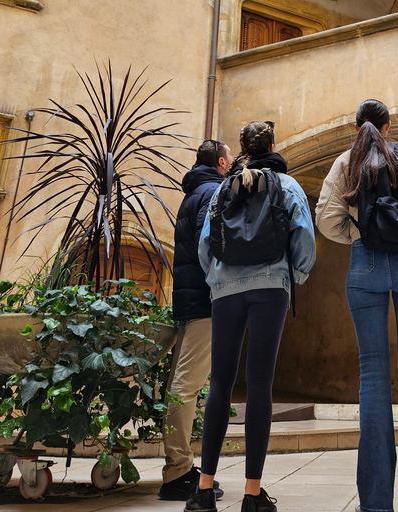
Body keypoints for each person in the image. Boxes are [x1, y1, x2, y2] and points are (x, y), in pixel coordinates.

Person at [315, 99, 398, 512]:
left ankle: (375, 503)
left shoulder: (346, 161)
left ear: (355, 127)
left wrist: (359, 235)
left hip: (366, 265)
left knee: (372, 378)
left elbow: (325, 218)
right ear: (388, 126)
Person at [185, 121, 316, 512]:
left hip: (226, 290)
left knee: (220, 385)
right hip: (271, 287)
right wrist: (294, 277)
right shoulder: (287, 186)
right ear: (273, 145)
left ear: (242, 149)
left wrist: (218, 280)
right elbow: (304, 239)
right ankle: (252, 494)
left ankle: (204, 491)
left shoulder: (226, 186)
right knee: (260, 385)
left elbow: (206, 242)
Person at [158, 140, 233, 501]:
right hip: (205, 299)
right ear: (221, 162)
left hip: (188, 299)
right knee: (186, 386)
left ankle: (179, 468)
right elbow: (211, 239)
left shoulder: (192, 193)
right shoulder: (213, 191)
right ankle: (178, 474)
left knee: (180, 383)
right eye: (230, 158)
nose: (233, 163)